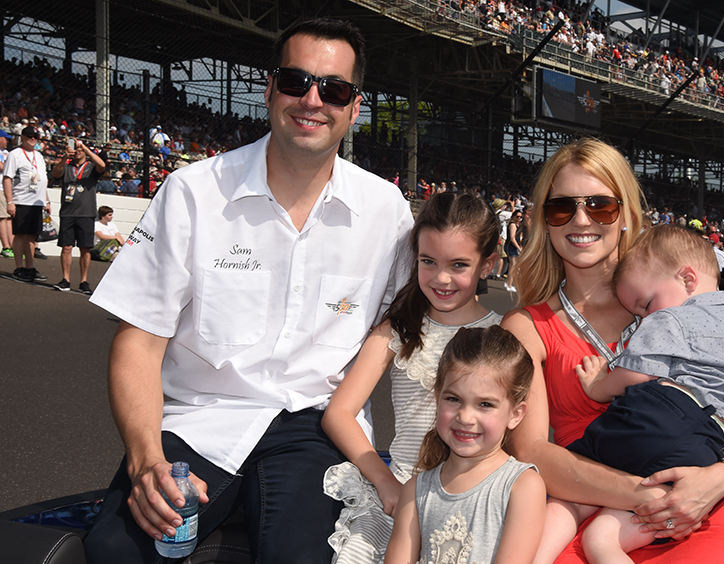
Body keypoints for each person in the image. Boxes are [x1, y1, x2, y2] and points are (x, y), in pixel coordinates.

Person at [82, 18, 414, 564]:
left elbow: (411, 335)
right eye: (295, 81)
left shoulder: (387, 213)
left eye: (333, 89)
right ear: (269, 90)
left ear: (355, 107)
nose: (312, 100)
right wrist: (145, 461)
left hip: (317, 426)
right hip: (198, 418)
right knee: (116, 550)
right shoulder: (192, 192)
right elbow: (138, 340)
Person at [502, 138, 724, 564]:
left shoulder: (678, 304)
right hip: (583, 506)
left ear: (626, 214)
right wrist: (653, 495)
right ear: (545, 221)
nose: (581, 219)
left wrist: (720, 479)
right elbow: (529, 451)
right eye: (561, 207)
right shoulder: (526, 327)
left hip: (701, 508)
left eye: (600, 205)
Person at [533, 225, 724, 564]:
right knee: (604, 536)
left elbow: (636, 374)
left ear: (688, 279)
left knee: (570, 501)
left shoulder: (672, 318)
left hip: (655, 419)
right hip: (706, 451)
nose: (647, 316)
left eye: (646, 305)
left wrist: (598, 385)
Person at [321, 192, 501, 563]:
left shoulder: (503, 335)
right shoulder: (397, 330)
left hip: (473, 502)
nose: (441, 278)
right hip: (398, 494)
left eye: (459, 265)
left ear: (488, 265)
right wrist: (386, 484)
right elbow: (338, 413)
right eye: (428, 261)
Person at [384, 326, 546, 564]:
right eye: (454, 399)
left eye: (485, 405)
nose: (465, 417)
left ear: (515, 414)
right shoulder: (415, 491)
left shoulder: (522, 486)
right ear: (437, 397)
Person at [51, 139, 106, 294]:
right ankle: (65, 279)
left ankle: (84, 281)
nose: (77, 151)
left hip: (86, 213)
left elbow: (102, 166)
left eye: (79, 149)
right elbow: (55, 173)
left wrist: (86, 149)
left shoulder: (91, 167)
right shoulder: (67, 165)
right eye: (75, 148)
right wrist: (64, 157)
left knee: (85, 248)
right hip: (68, 213)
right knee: (66, 247)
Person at [2, 126, 49, 282]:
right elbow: (7, 178)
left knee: (32, 236)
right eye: (29, 135)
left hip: (37, 202)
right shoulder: (15, 154)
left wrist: (46, 199)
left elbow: (42, 178)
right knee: (20, 234)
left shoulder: (39, 156)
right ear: (22, 137)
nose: (33, 138)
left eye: (35, 136)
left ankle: (30, 267)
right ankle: (19, 267)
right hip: (21, 200)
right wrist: (10, 202)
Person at [0, 129, 13, 259]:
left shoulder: (7, 153)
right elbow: (3, 167)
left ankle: (12, 245)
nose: (8, 141)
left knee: (9, 217)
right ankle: (6, 247)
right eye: (5, 138)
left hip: (8, 188)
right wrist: (11, 166)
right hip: (0, 187)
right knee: (3, 217)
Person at [504, 209, 523, 292]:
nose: (519, 218)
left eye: (520, 217)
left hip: (512, 246)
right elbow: (512, 238)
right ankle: (509, 284)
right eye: (517, 216)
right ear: (513, 216)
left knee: (513, 265)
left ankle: (508, 283)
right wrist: (519, 248)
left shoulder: (515, 224)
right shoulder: (513, 225)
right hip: (511, 247)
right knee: (513, 266)